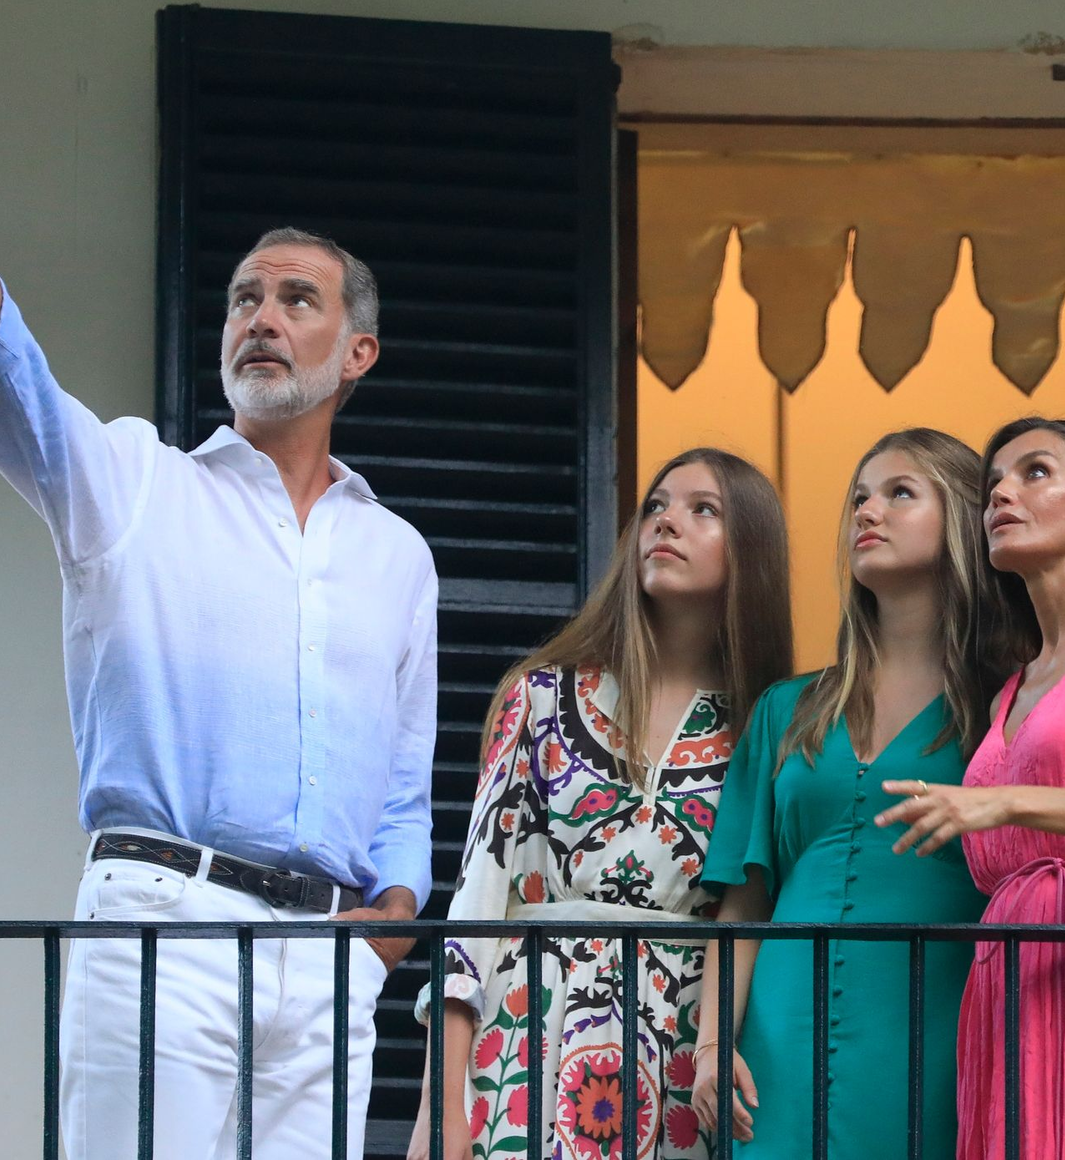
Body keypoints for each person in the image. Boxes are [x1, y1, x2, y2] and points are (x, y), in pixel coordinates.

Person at [0, 73, 437, 1160]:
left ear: (358, 352)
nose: (263, 319)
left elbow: (404, 787)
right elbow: (8, 389)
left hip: (324, 961)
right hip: (162, 922)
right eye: (246, 297)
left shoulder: (398, 556)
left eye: (297, 299)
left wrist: (381, 929)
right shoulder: (136, 481)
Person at [407, 449, 793, 1160]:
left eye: (702, 509)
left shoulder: (766, 731)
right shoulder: (542, 697)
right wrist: (440, 1107)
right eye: (656, 505)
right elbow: (475, 908)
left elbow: (754, 916)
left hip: (679, 1066)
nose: (665, 521)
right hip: (527, 1045)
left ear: (752, 551)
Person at [695, 428, 1006, 1158]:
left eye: (901, 492)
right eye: (861, 496)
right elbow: (742, 902)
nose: (868, 510)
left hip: (938, 1024)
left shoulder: (1006, 704)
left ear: (962, 517)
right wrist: (712, 1041)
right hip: (776, 1038)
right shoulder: (786, 708)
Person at [877, 416, 1065, 1160]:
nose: (1002, 494)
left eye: (1036, 472)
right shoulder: (1006, 691)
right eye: (992, 485)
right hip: (1008, 971)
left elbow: (1004, 805)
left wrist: (1002, 802)